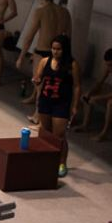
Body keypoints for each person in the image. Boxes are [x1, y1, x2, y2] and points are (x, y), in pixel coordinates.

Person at [16, 0, 71, 120]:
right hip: (59, 53)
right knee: (51, 84)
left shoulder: (41, 11)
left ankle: (38, 115)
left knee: (40, 84)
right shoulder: (65, 12)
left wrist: (21, 56)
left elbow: (30, 36)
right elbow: (68, 36)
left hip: (43, 51)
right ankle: (36, 102)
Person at [33, 35, 80, 177]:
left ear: (64, 50)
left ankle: (61, 162)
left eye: (58, 49)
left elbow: (77, 86)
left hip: (62, 103)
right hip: (45, 101)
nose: (55, 52)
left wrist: (75, 106)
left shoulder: (72, 65)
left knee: (59, 135)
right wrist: (36, 80)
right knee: (45, 132)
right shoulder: (44, 61)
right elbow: (38, 78)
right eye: (53, 48)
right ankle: (46, 158)